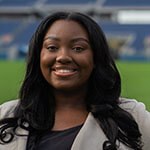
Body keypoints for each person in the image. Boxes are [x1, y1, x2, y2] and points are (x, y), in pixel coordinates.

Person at [0, 11, 150, 150]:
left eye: (78, 48)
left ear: (96, 57)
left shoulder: (133, 117)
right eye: (52, 47)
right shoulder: (6, 116)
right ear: (38, 56)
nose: (63, 57)